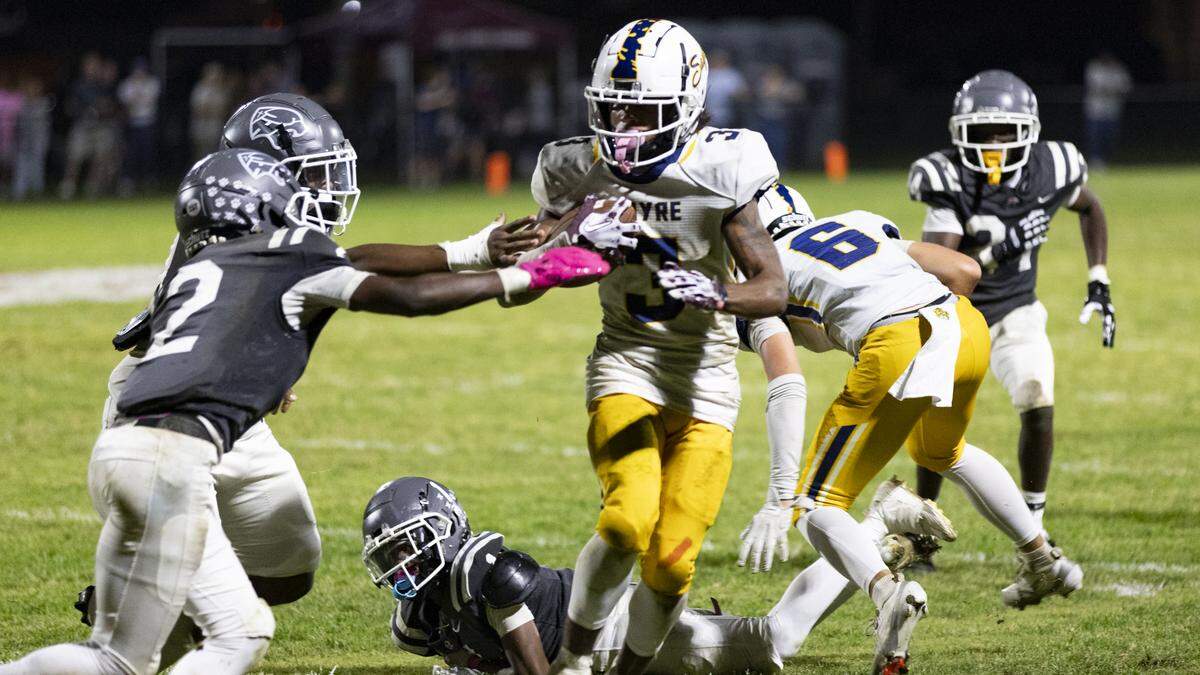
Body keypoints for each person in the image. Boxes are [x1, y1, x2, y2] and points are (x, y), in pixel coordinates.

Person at [0, 148, 612, 675]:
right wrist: (521, 278)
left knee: (117, 658)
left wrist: (470, 250)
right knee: (242, 631)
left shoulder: (202, 265)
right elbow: (403, 295)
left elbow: (349, 259)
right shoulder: (281, 255)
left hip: (119, 447)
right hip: (173, 459)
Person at [660, 207, 1084, 673]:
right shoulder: (857, 223)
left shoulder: (756, 276)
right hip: (964, 326)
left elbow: (785, 376)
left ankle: (887, 594)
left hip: (897, 339)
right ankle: (1043, 560)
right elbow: (965, 271)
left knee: (813, 503)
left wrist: (779, 497)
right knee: (941, 451)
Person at [524, 19, 788, 675]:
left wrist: (716, 293)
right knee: (625, 522)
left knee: (671, 563)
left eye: (642, 110)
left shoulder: (725, 166)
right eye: (613, 108)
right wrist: (572, 233)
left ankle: (628, 670)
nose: (624, 125)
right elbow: (522, 279)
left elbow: (772, 287)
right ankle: (573, 661)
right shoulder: (575, 169)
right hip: (626, 365)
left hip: (708, 386)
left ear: (688, 106)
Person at [363, 475, 955, 675]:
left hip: (610, 629)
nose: (403, 568)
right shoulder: (419, 615)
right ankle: (876, 537)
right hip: (593, 638)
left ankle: (876, 525)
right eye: (390, 559)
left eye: (408, 548)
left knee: (772, 640)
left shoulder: (490, 572)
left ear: (446, 528)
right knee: (769, 638)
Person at [907, 70, 1115, 556]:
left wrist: (1099, 277)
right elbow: (942, 271)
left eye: (1006, 133)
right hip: (955, 316)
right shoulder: (948, 177)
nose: (994, 146)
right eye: (983, 133)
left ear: (1029, 131)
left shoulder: (1050, 168)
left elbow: (1090, 207)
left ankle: (1034, 522)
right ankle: (920, 531)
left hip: (1017, 309)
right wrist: (1001, 249)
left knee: (1037, 397)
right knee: (938, 419)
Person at [118, 58, 161, 194]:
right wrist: (137, 96)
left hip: (148, 122)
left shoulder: (153, 83)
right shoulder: (127, 84)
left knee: (148, 152)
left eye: (142, 70)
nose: (140, 73)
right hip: (132, 123)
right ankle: (128, 180)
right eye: (137, 70)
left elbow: (148, 100)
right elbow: (127, 103)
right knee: (131, 153)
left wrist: (137, 97)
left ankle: (149, 178)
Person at [1084, 52, 1132, 168]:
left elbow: (1126, 87)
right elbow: (1095, 87)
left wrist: (1110, 90)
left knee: (1110, 137)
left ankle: (1108, 159)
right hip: (1095, 111)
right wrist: (1112, 90)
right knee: (1095, 137)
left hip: (1112, 111)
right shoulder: (1094, 68)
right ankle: (1096, 159)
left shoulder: (1119, 69)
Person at [12, 76, 53, 199]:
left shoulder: (45, 103)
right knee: (22, 166)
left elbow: (45, 124)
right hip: (23, 141)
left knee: (37, 166)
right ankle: (19, 192)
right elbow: (17, 123)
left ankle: (37, 191)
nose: (33, 90)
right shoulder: (21, 103)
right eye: (30, 87)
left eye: (36, 88)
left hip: (38, 141)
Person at [190, 62, 231, 160]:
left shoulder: (222, 91)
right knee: (200, 153)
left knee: (214, 153)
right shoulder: (200, 89)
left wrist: (211, 110)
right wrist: (210, 110)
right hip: (200, 125)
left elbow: (222, 110)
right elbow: (198, 109)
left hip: (215, 126)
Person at [704, 51, 747, 128]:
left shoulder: (731, 75)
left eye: (720, 59)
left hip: (729, 114)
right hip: (707, 114)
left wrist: (734, 96)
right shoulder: (707, 74)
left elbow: (743, 94)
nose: (718, 61)